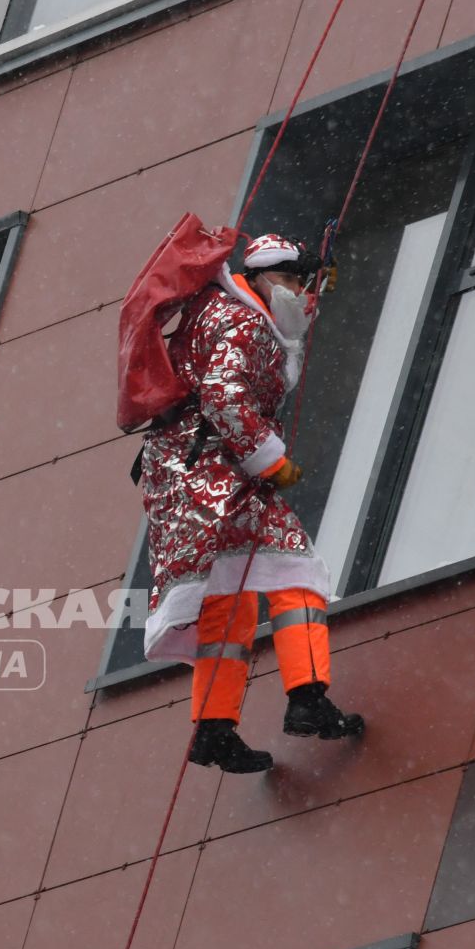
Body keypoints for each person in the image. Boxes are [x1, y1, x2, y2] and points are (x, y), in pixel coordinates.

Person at [136, 232, 364, 773]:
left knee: (227, 600)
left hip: (185, 478)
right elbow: (225, 395)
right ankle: (307, 696)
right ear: (261, 277)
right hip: (217, 472)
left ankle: (214, 730)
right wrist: (270, 458)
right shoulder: (240, 320)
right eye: (288, 280)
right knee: (297, 574)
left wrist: (313, 290)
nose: (295, 292)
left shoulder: (226, 310)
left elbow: (286, 325)